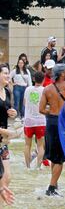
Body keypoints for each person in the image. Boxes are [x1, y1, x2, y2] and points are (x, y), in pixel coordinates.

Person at [39, 64, 65, 196]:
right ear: (62, 74)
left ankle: (54, 183)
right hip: (62, 122)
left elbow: (40, 109)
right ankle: (51, 188)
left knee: (53, 155)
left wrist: (51, 111)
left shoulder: (47, 89)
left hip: (50, 122)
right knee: (59, 159)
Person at [0, 64, 17, 204]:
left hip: (2, 141)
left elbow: (9, 111)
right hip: (2, 134)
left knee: (7, 176)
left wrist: (13, 113)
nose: (7, 75)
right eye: (5, 73)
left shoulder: (7, 91)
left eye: (8, 73)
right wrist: (5, 131)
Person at [23, 72, 46, 169]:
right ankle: (38, 166)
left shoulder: (28, 89)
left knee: (27, 145)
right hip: (40, 121)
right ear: (43, 80)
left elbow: (24, 103)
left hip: (28, 121)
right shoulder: (44, 90)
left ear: (33, 79)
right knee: (40, 146)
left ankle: (28, 167)